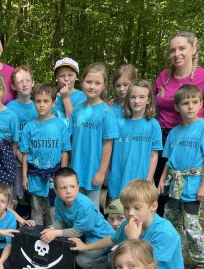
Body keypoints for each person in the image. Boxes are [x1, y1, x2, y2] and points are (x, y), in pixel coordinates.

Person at [71, 179, 184, 269]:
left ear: (153, 206)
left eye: (137, 208)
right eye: (126, 207)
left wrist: (133, 239)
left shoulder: (164, 232)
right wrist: (86, 247)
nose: (130, 213)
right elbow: (113, 239)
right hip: (137, 268)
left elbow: (147, 266)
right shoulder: (129, 223)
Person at [154, 32, 204, 215]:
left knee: (186, 196)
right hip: (162, 138)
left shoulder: (202, 76)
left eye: (182, 48)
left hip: (191, 141)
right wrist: (118, 104)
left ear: (194, 49)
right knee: (159, 189)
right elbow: (148, 103)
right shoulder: (164, 76)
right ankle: (159, 226)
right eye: (172, 50)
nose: (177, 54)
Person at [158, 84, 204, 269]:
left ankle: (201, 261)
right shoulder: (174, 132)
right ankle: (172, 258)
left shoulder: (202, 128)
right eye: (185, 103)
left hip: (193, 187)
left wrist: (203, 186)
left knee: (191, 225)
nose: (190, 106)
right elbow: (168, 160)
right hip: (174, 186)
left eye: (195, 102)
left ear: (201, 104)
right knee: (171, 223)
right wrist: (162, 180)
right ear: (177, 107)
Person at [40, 168, 114, 269]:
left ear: (78, 187)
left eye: (72, 186)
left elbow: (77, 232)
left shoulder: (84, 205)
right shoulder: (58, 200)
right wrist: (52, 229)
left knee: (82, 261)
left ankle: (109, 258)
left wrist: (56, 233)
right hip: (83, 235)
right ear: (56, 191)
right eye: (63, 188)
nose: (68, 191)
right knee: (62, 251)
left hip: (100, 237)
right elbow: (61, 221)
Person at [69, 62, 119, 209]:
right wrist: (69, 166)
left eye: (97, 83)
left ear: (104, 86)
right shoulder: (77, 109)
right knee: (75, 206)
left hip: (93, 170)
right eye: (89, 82)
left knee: (92, 209)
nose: (92, 86)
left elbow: (108, 144)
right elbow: (71, 139)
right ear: (82, 81)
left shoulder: (106, 111)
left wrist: (101, 172)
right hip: (76, 169)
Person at [20, 83, 70, 226]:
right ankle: (35, 237)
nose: (41, 105)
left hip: (54, 175)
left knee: (53, 210)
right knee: (36, 209)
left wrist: (62, 175)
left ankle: (54, 237)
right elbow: (25, 154)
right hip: (35, 175)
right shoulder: (29, 127)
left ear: (53, 103)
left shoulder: (60, 125)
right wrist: (24, 176)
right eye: (38, 101)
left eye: (46, 101)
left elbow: (64, 151)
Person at [107, 79, 162, 200]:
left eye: (141, 97)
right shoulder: (118, 123)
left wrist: (148, 180)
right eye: (133, 97)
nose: (137, 101)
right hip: (117, 180)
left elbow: (154, 155)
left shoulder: (153, 125)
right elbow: (109, 150)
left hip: (141, 182)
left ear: (148, 100)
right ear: (128, 99)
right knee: (116, 211)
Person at [7, 66, 37, 201]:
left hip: (36, 158)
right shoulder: (10, 108)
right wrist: (19, 155)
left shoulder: (39, 106)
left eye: (27, 80)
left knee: (35, 195)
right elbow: (8, 137)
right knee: (16, 194)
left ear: (33, 83)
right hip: (17, 156)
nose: (24, 84)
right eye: (20, 82)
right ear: (14, 86)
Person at [52, 57, 86, 127]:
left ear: (76, 77)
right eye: (62, 76)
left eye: (70, 75)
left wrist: (66, 98)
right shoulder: (52, 97)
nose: (66, 79)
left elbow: (74, 121)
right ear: (56, 78)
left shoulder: (82, 96)